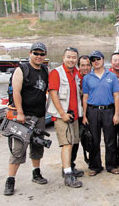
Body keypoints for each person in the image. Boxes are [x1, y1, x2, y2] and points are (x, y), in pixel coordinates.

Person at [4, 42, 49, 196]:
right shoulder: (21, 69)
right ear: (30, 53)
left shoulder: (44, 70)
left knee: (37, 146)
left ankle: (36, 172)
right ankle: (10, 179)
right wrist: (20, 112)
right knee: (18, 149)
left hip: (40, 115)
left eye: (41, 54)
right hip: (24, 116)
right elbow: (16, 92)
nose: (38, 56)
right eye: (36, 53)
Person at [47, 47, 84, 188]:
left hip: (74, 115)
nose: (71, 60)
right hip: (62, 116)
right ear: (63, 58)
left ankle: (69, 168)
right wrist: (62, 113)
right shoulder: (56, 73)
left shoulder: (76, 73)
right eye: (68, 57)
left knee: (74, 142)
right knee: (67, 144)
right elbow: (53, 94)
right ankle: (68, 175)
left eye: (74, 57)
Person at [82, 50, 119, 176]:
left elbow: (116, 96)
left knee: (110, 139)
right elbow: (85, 97)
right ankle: (95, 166)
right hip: (92, 111)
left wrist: (116, 114)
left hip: (108, 110)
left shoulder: (112, 76)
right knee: (94, 139)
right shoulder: (87, 78)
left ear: (103, 59)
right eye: (93, 60)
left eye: (98, 59)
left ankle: (111, 165)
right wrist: (84, 114)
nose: (96, 62)